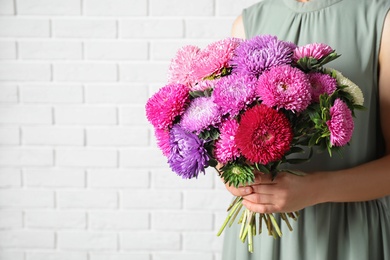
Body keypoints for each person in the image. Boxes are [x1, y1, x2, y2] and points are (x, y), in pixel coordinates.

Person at [222, 0, 390, 259]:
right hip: (261, 238)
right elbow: (228, 134)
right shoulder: (248, 22)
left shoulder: (381, 19)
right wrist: (234, 177)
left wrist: (315, 188)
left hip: (347, 237)